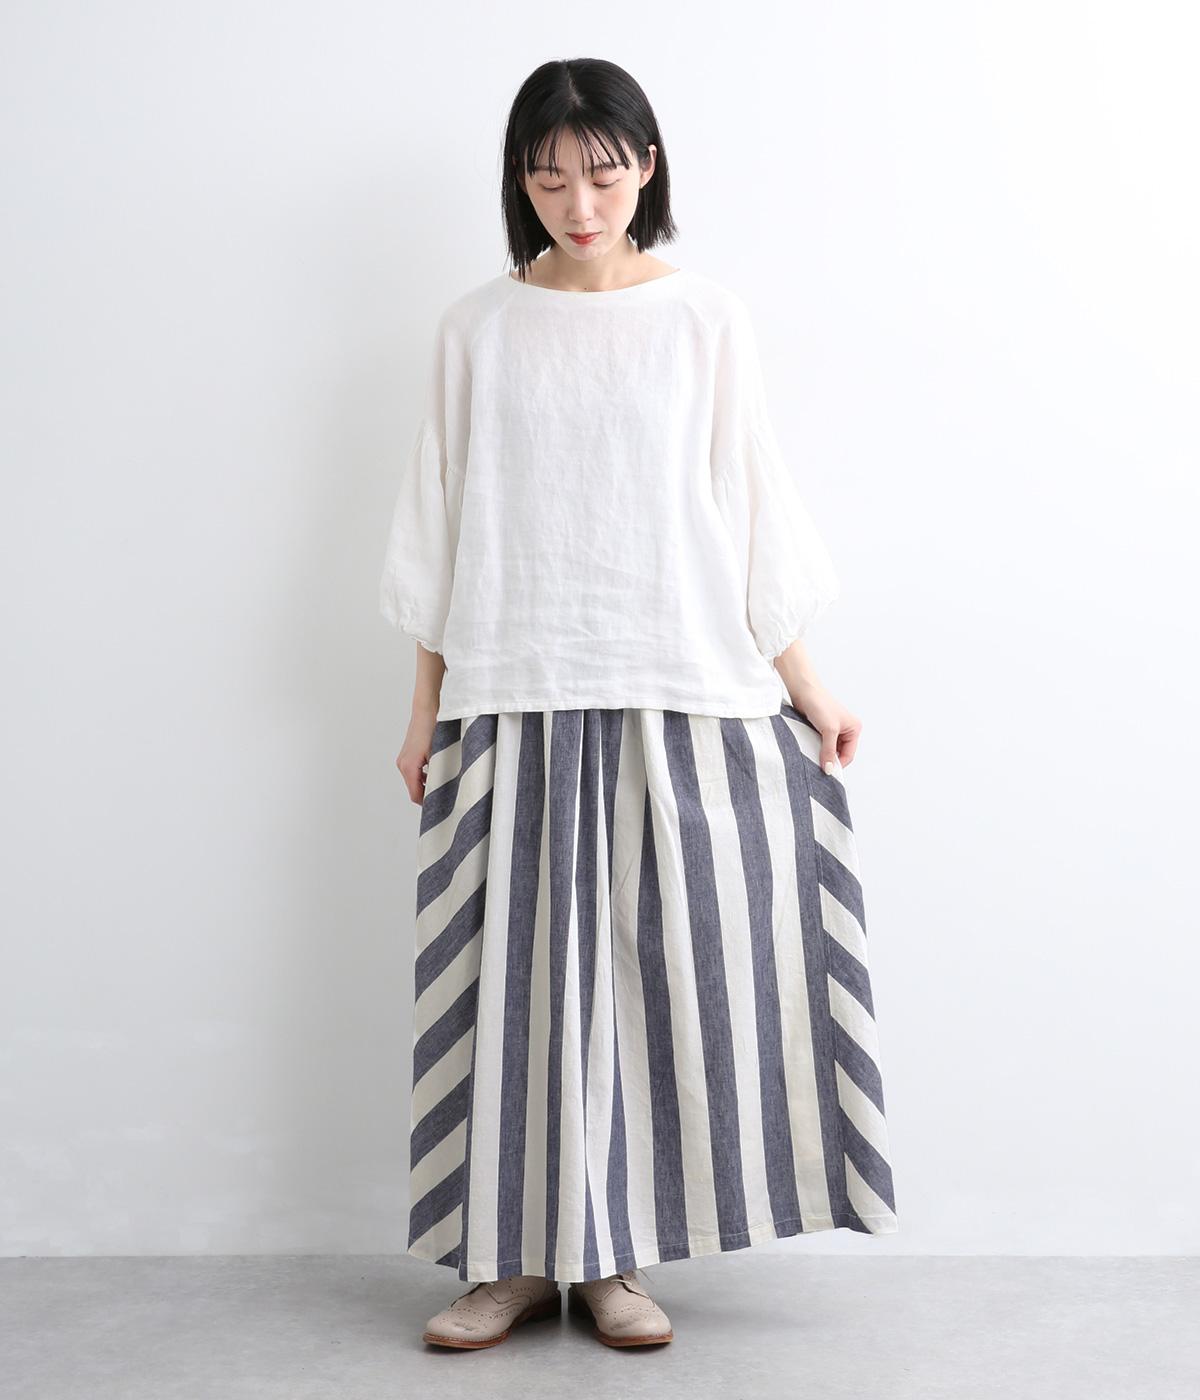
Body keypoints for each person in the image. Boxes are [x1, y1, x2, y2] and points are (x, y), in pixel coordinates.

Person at [379, 57, 898, 1351]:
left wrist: (809, 684)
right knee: (509, 988)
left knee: (655, 980)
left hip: (680, 683)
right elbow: (440, 525)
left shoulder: (703, 319)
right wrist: (423, 708)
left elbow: (747, 502)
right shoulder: (476, 328)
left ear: (647, 167)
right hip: (515, 684)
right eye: (549, 176)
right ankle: (508, 1264)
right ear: (520, 180)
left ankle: (614, 1261)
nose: (579, 203)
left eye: (603, 176)